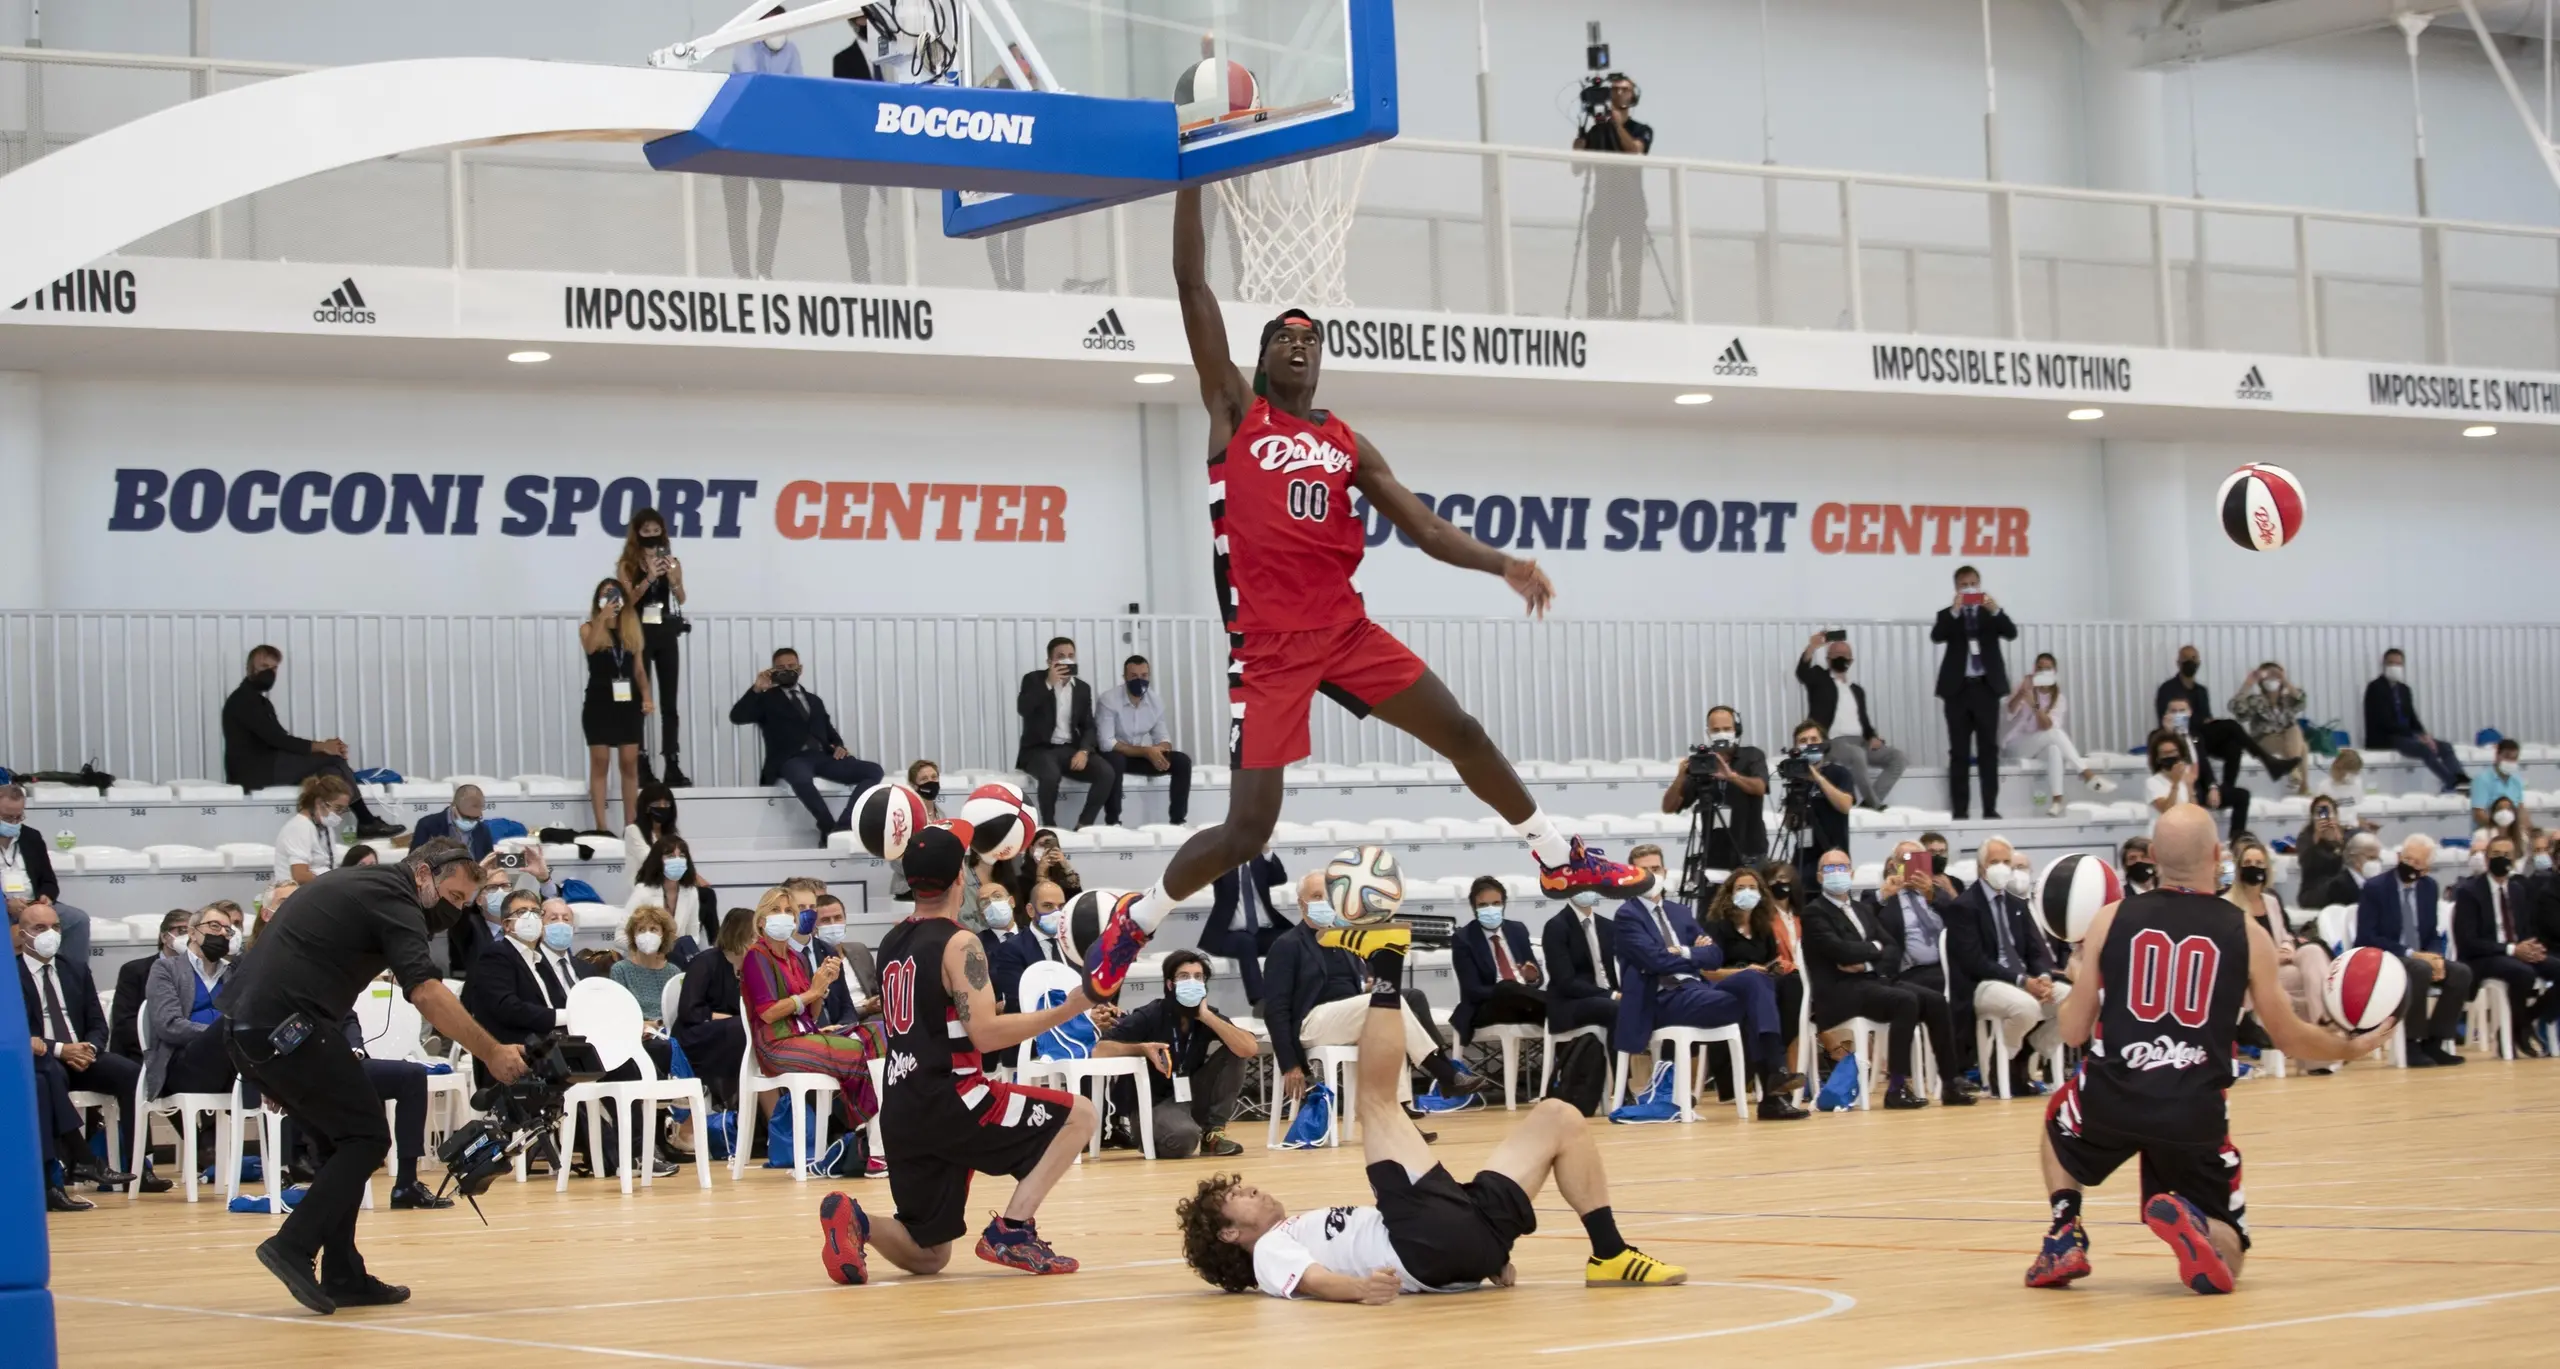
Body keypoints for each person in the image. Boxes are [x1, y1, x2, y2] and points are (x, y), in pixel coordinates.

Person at [1068, 191, 1653, 1009]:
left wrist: (1503, 565)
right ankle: (1140, 916)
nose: (1299, 345)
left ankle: (1556, 851)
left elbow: (1422, 526)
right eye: (1285, 337)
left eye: (1312, 338)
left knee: (1463, 730)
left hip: (1344, 629)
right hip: (1268, 647)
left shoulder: (1346, 442)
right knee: (1249, 831)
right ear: (1264, 356)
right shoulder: (1238, 412)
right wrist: (1193, 177)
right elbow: (1190, 282)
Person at [1175, 925, 1686, 1298]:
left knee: (1560, 1117)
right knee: (1374, 1103)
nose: (1251, 1188)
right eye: (1236, 1197)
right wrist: (1358, 1292)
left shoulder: (1296, 1228)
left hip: (1462, 1238)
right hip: (1422, 1240)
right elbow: (1312, 1281)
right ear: (1229, 1234)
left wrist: (1483, 1260)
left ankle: (1610, 1253)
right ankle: (1388, 963)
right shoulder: (1267, 1250)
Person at [2027, 805, 2391, 1295]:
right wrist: (2350, 1047)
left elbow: (2073, 1031)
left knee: (2058, 1121)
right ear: (2218, 856)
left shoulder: (2110, 919)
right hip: (2194, 1108)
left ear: (2153, 857)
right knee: (2231, 1257)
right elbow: (2288, 1036)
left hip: (2112, 1094)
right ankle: (2198, 1222)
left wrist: (2077, 977)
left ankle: (2063, 1232)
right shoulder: (2248, 933)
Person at [215, 840, 528, 1312]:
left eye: (466, 903)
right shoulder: (395, 897)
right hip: (287, 1027)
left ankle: (344, 1273)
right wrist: (492, 1051)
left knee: (338, 1142)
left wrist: (267, 1068)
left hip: (254, 1029)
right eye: (455, 896)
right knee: (365, 1137)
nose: (456, 910)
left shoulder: (360, 884)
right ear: (423, 873)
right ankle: (293, 1244)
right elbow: (423, 991)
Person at [815, 825, 1101, 1283]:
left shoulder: (892, 940)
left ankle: (856, 1220)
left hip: (903, 1107)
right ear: (960, 880)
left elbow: (936, 1015)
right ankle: (1013, 1229)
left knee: (930, 1255)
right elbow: (985, 1034)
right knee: (1081, 1114)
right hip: (955, 1097)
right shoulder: (960, 942)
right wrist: (1067, 1008)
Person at [1612, 847, 1806, 1119]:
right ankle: (1774, 1089)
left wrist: (1681, 952)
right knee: (1755, 997)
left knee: (1754, 978)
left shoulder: (1679, 912)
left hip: (1697, 992)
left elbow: (1714, 956)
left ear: (1665, 873)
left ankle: (1775, 1078)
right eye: (1643, 871)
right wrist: (1693, 953)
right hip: (1661, 999)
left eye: (1655, 869)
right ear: (1631, 877)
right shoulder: (1627, 916)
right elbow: (1655, 962)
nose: (1651, 875)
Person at [1266, 870, 1489, 1107]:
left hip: (1350, 1016)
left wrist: (1369, 983)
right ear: (1302, 904)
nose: (1325, 902)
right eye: (1317, 896)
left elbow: (1359, 981)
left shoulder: (1344, 938)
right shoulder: (1287, 944)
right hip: (1312, 1022)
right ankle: (1445, 1073)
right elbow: (1275, 1008)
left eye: (1329, 896)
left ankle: (1400, 1113)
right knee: (1388, 1001)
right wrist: (1290, 1064)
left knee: (1407, 1002)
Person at [1798, 848, 1973, 1109]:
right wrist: (1875, 948)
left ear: (1852, 873)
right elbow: (1840, 951)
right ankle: (1896, 1087)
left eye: (1842, 868)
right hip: (1838, 991)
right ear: (1820, 877)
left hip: (1871, 981)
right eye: (1830, 869)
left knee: (1935, 1000)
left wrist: (1870, 957)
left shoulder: (1860, 909)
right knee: (1905, 1000)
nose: (1838, 874)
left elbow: (1891, 948)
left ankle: (1950, 1082)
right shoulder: (1814, 913)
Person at [740, 886, 888, 1167]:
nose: (782, 917)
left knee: (877, 1033)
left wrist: (822, 985)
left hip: (805, 1034)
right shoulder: (756, 956)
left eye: (788, 911)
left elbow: (812, 1010)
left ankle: (874, 1139)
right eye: (775, 911)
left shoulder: (796, 958)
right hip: (776, 1045)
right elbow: (769, 1013)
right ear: (761, 921)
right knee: (857, 1052)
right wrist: (810, 993)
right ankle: (875, 1148)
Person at [18, 900, 144, 1188]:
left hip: (83, 1054)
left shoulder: (74, 969)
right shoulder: (11, 975)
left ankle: (137, 1163)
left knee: (131, 1073)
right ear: (22, 934)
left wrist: (90, 1049)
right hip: (47, 1058)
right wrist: (62, 1050)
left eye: (55, 927)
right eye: (40, 928)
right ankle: (73, 1163)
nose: (50, 933)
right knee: (49, 1075)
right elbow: (21, 1034)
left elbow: (98, 1023)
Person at [221, 645, 402, 840]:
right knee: (330, 760)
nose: (269, 672)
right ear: (249, 668)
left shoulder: (260, 702)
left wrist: (326, 748)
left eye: (273, 669)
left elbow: (281, 739)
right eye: (264, 666)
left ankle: (326, 827)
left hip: (267, 766)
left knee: (331, 768)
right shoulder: (244, 701)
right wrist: (323, 747)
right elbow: (278, 740)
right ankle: (366, 821)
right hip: (255, 772)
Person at [1093, 950, 1257, 1159]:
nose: (1192, 982)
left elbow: (1249, 1048)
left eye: (1198, 977)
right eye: (1184, 977)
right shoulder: (1149, 1014)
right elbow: (1099, 1050)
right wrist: (1140, 1048)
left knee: (1235, 1050)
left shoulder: (1206, 1016)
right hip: (1152, 1104)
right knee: (1184, 1139)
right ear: (1170, 984)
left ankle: (1213, 1134)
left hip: (1190, 1096)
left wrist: (1206, 1016)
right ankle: (1154, 1136)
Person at [1946, 838, 2069, 1095]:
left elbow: (2036, 951)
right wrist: (2023, 981)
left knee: (2072, 999)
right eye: (1994, 862)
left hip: (2024, 978)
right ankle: (2006, 1062)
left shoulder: (2017, 904)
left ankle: (2026, 1051)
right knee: (2025, 1006)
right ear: (1981, 867)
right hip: (1983, 983)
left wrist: (2044, 977)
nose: (2001, 868)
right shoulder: (1964, 906)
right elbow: (1975, 961)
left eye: (2006, 862)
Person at [732, 647, 884, 843]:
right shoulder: (766, 699)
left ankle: (846, 823)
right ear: (773, 671)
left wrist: (839, 746)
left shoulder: (814, 700)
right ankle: (828, 826)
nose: (787, 670)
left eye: (791, 666)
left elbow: (829, 731)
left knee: (873, 770)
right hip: (790, 758)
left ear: (800, 669)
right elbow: (737, 716)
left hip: (822, 757)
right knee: (800, 776)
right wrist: (757, 688)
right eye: (781, 668)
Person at [2352, 834, 2474, 1067]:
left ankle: (2435, 1041)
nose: (2410, 865)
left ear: (2426, 869)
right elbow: (2366, 937)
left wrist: (2436, 956)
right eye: (2407, 858)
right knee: (2419, 969)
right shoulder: (2375, 888)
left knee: (2460, 972)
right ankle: (2410, 1043)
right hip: (2386, 958)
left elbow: (2431, 933)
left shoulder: (2429, 888)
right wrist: (2412, 954)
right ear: (2398, 857)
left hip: (2421, 956)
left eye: (2417, 863)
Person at [461, 893, 597, 1088]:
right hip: (517, 1055)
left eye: (535, 911)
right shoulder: (497, 955)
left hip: (549, 1050)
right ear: (507, 925)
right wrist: (565, 1016)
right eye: (522, 912)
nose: (530, 917)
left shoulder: (539, 963)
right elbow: (508, 1008)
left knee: (610, 1060)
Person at [2450, 832, 2560, 1055]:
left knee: (2556, 967)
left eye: (2507, 854)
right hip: (2482, 958)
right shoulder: (2469, 892)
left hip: (2516, 952)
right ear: (2487, 858)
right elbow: (2468, 941)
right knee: (2522, 973)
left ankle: (2525, 1021)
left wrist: (2532, 947)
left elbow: (2527, 929)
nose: (2502, 859)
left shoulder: (2518, 889)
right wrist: (2511, 949)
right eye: (2496, 854)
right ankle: (2514, 1034)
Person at [2228, 837, 2332, 1047]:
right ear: (2239, 869)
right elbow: (2230, 952)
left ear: (2267, 868)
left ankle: (2324, 1026)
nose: (2253, 868)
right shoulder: (2228, 903)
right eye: (2247, 864)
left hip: (2281, 968)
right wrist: (2268, 958)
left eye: (2259, 864)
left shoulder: (2271, 901)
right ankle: (2321, 1041)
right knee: (2302, 981)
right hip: (2253, 977)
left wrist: (2286, 948)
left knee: (2313, 952)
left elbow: (2285, 935)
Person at [1931, 565, 2016, 821]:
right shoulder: (1948, 615)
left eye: (1973, 584)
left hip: (1986, 688)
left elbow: (2011, 633)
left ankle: (1990, 808)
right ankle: (1960, 811)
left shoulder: (1990, 613)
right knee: (1959, 752)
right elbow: (1937, 636)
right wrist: (1956, 611)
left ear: (1980, 585)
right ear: (1956, 588)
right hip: (1957, 691)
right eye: (1964, 585)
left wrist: (1996, 609)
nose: (1969, 589)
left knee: (1988, 750)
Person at [616, 507, 692, 788]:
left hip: (665, 632)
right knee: (640, 701)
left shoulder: (671, 560)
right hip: (639, 635)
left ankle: (672, 761)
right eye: (645, 531)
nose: (650, 535)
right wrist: (647, 577)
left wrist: (673, 580)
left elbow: (682, 598)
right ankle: (641, 760)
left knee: (669, 701)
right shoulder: (627, 564)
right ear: (637, 533)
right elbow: (628, 601)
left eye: (655, 530)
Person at [1569, 72, 1652, 321]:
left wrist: (1616, 124)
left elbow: (1635, 152)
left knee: (1630, 266)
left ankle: (1629, 317)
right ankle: (1596, 314)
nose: (1618, 94)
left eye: (1624, 89)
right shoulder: (1597, 131)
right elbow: (1577, 169)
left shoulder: (1641, 129)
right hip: (1603, 207)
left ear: (1633, 95)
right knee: (1597, 266)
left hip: (1631, 207)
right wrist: (1578, 149)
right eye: (1614, 90)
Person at [1015, 637, 1119, 832]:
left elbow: (1088, 725)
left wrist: (1084, 751)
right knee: (1050, 774)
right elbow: (1024, 708)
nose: (1066, 660)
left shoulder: (1082, 688)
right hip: (1039, 750)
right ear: (1049, 661)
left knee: (1106, 772)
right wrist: (1048, 683)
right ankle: (1049, 826)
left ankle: (1084, 825)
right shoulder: (1033, 679)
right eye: (1060, 656)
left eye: (1070, 656)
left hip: (1070, 749)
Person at [1704, 865, 1802, 1067]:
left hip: (1760, 983)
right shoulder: (1717, 925)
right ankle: (1772, 1061)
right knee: (1755, 980)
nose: (1747, 892)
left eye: (1752, 887)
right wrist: (1744, 972)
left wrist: (1777, 967)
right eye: (1740, 888)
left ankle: (1781, 1046)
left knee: (1793, 983)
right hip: (1726, 984)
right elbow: (1707, 971)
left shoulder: (1763, 927)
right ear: (1729, 893)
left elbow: (1771, 960)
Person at [724, 8, 796, 279]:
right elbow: (755, 83)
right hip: (732, 139)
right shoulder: (745, 47)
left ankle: (764, 270)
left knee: (773, 199)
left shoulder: (791, 52)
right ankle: (741, 273)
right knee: (736, 205)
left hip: (763, 140)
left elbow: (796, 91)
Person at [1795, 631, 1904, 808]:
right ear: (1828, 659)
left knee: (1898, 757)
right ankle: (1875, 804)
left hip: (1861, 742)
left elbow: (1865, 722)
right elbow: (1802, 672)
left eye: (1844, 655)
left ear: (1851, 661)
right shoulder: (1819, 678)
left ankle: (1867, 805)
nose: (1840, 658)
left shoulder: (1857, 690)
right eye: (1836, 654)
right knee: (1857, 754)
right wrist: (1812, 646)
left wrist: (1873, 737)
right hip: (1833, 743)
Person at [1657, 706, 1765, 877]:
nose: (1721, 733)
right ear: (1708, 733)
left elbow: (1760, 788)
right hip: (1714, 855)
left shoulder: (1752, 756)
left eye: (1727, 729)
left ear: (1736, 730)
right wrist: (1680, 777)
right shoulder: (1702, 764)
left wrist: (1731, 776)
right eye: (1716, 730)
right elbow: (1668, 807)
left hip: (1750, 852)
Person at [579, 578, 651, 837]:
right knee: (600, 762)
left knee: (629, 763)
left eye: (615, 594)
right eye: (605, 594)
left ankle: (631, 825)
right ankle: (601, 826)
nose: (610, 598)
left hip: (627, 702)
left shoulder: (632, 629)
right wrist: (602, 618)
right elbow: (590, 647)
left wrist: (647, 696)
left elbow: (640, 670)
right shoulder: (588, 627)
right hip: (599, 702)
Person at [2001, 653, 2115, 814]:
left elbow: (2045, 726)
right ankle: (2086, 774)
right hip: (2017, 745)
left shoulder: (2059, 699)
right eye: (2039, 667)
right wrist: (2022, 692)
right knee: (2055, 734)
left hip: (2039, 746)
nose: (2042, 671)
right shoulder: (2025, 689)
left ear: (2054, 672)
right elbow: (2009, 712)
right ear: (2034, 670)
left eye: (2047, 668)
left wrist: (2034, 705)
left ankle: (2057, 800)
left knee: (2054, 748)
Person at [1, 783, 93, 969]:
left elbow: (49, 880)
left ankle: (74, 976)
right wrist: (5, 903)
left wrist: (46, 897)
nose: (13, 822)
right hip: (4, 907)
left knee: (77, 920)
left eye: (18, 817)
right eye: (7, 818)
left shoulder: (31, 837)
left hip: (32, 903)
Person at [1097, 654, 1192, 827]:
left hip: (1138, 755)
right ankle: (1113, 822)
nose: (1139, 680)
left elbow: (1163, 737)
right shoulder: (1108, 700)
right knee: (1115, 760)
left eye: (1144, 676)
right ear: (1124, 677)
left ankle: (1178, 821)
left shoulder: (1155, 701)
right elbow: (1107, 743)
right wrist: (1147, 751)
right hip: (1111, 755)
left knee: (1182, 761)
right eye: (1134, 676)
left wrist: (1159, 752)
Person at [1451, 876, 1546, 1045]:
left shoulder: (1517, 930)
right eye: (1483, 905)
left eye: (1496, 903)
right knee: (1508, 987)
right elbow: (1472, 990)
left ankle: (1567, 1069)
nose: (1490, 909)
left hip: (1526, 1004)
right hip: (1487, 1007)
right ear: (1474, 908)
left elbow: (1537, 980)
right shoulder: (1464, 939)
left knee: (1559, 1021)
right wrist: (1507, 989)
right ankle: (1557, 1003)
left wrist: (1531, 978)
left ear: (1503, 905)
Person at [674, 907, 754, 1107]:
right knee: (741, 1028)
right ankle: (731, 1100)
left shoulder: (751, 968)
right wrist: (733, 1020)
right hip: (695, 1033)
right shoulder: (706, 962)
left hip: (730, 1030)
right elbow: (689, 1011)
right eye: (754, 936)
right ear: (739, 934)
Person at [2363, 648, 2465, 793]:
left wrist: (2424, 734)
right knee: (2424, 749)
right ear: (2384, 665)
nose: (2395, 667)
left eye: (2398, 664)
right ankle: (2451, 782)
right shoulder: (2375, 688)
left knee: (2445, 747)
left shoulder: (2404, 690)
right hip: (2385, 738)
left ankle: (2463, 781)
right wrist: (2415, 736)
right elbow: (2383, 721)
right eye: (2391, 663)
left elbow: (2412, 717)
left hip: (2406, 735)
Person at [1202, 848, 1291, 1004]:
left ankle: (1297, 995)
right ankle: (1259, 1001)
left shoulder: (1259, 861)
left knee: (1294, 938)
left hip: (1262, 932)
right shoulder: (1223, 864)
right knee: (1245, 942)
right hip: (1229, 935)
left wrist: (1267, 851)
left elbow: (1280, 878)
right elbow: (1203, 874)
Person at [832, 12, 881, 281]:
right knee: (854, 217)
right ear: (853, 23)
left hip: (887, 153)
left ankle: (896, 265)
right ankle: (861, 275)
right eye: (862, 19)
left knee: (904, 211)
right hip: (855, 151)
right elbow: (847, 107)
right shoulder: (843, 61)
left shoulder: (893, 59)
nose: (867, 25)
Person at [1780, 721, 1857, 888]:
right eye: (1803, 741)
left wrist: (1817, 777)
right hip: (1802, 858)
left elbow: (1845, 805)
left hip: (1833, 856)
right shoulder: (1795, 777)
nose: (1809, 744)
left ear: (1824, 744)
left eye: (1814, 739)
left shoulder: (1838, 773)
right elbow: (1789, 824)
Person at [1540, 889, 1621, 1037]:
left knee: (1652, 1004)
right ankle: (1618, 1061)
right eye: (1579, 885)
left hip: (1609, 996)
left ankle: (1662, 1059)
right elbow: (1566, 982)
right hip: (1570, 1003)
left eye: (1589, 884)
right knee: (1616, 1008)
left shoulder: (1609, 926)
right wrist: (1612, 995)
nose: (1585, 889)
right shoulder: (1556, 927)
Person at [113, 908, 190, 1062]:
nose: (188, 937)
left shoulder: (202, 972)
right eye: (182, 931)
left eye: (192, 932)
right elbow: (125, 1024)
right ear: (164, 936)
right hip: (145, 1052)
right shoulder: (134, 971)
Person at [990, 880, 1073, 1010]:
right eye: (1048, 906)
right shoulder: (1011, 949)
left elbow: (1086, 988)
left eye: (1061, 907)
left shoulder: (1074, 944)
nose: (1057, 913)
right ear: (1031, 910)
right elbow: (1019, 1004)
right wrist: (1079, 1014)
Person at [2229, 662, 2310, 795]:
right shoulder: (2255, 701)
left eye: (2275, 675)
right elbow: (2236, 708)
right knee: (2303, 747)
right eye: (2267, 675)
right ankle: (2303, 785)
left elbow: (2301, 700)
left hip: (2288, 741)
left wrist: (2284, 680)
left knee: (2295, 730)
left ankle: (2293, 771)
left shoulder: (2287, 700)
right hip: (2264, 740)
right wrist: (2248, 683)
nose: (2272, 679)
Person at [628, 834, 719, 950]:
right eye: (670, 856)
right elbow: (621, 937)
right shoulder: (643, 891)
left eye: (681, 856)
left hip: (678, 960)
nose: (677, 861)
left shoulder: (691, 892)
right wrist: (651, 947)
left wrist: (679, 947)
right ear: (658, 861)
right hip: (647, 959)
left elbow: (694, 936)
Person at [272, 773, 355, 887]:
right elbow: (300, 876)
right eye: (338, 808)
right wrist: (333, 882)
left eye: (343, 810)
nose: (340, 815)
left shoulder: (325, 828)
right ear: (320, 803)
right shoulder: (299, 827)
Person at [2293, 799, 2359, 908]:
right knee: (2339, 885)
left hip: (2342, 888)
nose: (2325, 817)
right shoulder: (2306, 837)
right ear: (2312, 817)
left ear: (2336, 815)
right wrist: (2316, 838)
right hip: (2314, 891)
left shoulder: (2345, 835)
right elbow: (2306, 863)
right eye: (2320, 812)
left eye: (2329, 812)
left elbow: (2353, 864)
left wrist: (2339, 842)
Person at [409, 783, 493, 861]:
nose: (471, 822)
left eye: (476, 818)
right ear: (454, 807)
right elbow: (413, 863)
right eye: (467, 817)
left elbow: (490, 862)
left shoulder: (482, 830)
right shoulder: (428, 826)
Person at [2472, 738, 2527, 832]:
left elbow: (2521, 809)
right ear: (2497, 756)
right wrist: (2499, 829)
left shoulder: (2517, 781)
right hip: (2487, 830)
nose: (2510, 761)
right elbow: (2478, 813)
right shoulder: (2482, 780)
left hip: (2512, 831)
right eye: (2507, 757)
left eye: (2514, 758)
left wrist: (2527, 829)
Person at [623, 784, 681, 867]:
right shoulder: (633, 830)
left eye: (666, 804)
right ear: (646, 807)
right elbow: (648, 860)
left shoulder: (669, 835)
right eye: (657, 804)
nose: (662, 807)